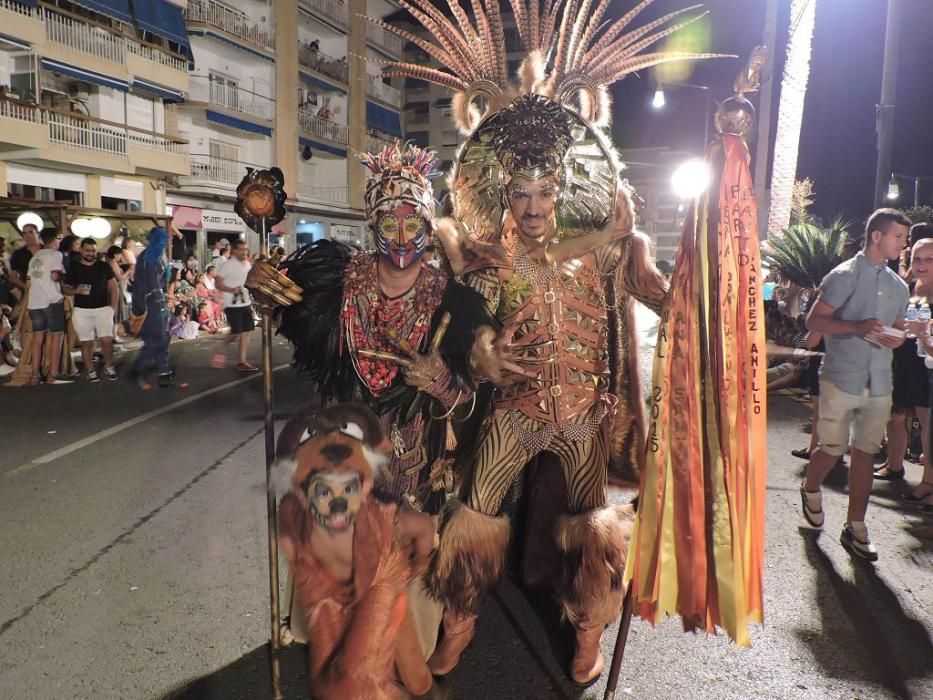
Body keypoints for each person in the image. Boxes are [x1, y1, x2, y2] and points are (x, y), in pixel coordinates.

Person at [800, 209, 911, 561]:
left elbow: (896, 328)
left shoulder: (898, 286)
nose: (902, 243)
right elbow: (815, 320)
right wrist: (857, 327)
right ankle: (810, 486)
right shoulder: (844, 275)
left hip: (879, 382)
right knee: (832, 449)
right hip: (840, 377)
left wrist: (899, 338)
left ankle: (856, 526)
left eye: (904, 238)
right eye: (898, 236)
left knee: (865, 451)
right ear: (876, 236)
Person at [875, 236, 933, 506]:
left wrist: (924, 334)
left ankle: (928, 482)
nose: (921, 265)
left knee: (926, 425)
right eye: (917, 259)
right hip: (903, 359)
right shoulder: (909, 287)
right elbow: (901, 323)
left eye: (929, 259)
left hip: (927, 366)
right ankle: (894, 464)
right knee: (895, 414)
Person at [130, 227, 187, 389]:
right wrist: (161, 302)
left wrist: (170, 297)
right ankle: (137, 371)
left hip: (159, 302)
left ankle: (164, 375)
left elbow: (161, 284)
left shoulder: (159, 255)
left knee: (164, 338)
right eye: (162, 238)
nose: (165, 241)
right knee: (157, 339)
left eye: (166, 238)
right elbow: (151, 285)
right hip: (148, 304)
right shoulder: (148, 257)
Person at [63, 237, 119, 381]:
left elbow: (113, 287)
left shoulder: (104, 266)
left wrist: (111, 308)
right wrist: (75, 290)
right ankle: (90, 370)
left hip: (102, 309)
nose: (90, 253)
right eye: (87, 250)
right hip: (81, 310)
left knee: (106, 340)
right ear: (81, 250)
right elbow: (65, 288)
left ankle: (108, 366)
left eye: (93, 250)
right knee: (86, 342)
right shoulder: (74, 267)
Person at [25, 228, 70, 385]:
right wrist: (57, 295)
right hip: (51, 301)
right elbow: (54, 275)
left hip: (34, 302)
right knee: (56, 337)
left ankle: (35, 376)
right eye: (59, 238)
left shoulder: (35, 258)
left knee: (38, 338)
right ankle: (53, 375)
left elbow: (30, 281)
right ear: (55, 239)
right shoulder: (55, 254)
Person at [213, 239, 257, 372]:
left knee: (246, 332)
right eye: (242, 249)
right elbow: (218, 284)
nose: (245, 252)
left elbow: (249, 280)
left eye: (246, 249)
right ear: (235, 250)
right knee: (236, 332)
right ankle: (220, 349)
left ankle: (241, 362)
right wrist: (231, 290)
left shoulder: (247, 264)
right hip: (232, 304)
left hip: (245, 303)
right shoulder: (227, 265)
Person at [9, 222, 41, 302]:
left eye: (31, 232)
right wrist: (25, 287)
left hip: (50, 291)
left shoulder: (47, 250)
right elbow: (13, 276)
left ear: (37, 233)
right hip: (29, 293)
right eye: (24, 233)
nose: (28, 236)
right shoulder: (18, 254)